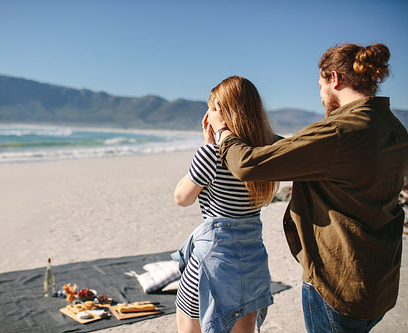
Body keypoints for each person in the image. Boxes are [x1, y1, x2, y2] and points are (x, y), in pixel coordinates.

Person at [208, 43, 408, 332]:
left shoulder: (340, 132)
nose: (320, 93)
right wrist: (254, 134)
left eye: (320, 84)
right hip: (379, 283)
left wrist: (223, 130)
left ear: (334, 79)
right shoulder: (394, 129)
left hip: (336, 285)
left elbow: (247, 166)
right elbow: (300, 151)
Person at [173, 76, 278, 333]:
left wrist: (208, 146)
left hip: (212, 265)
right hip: (252, 263)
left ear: (220, 113)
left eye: (210, 107)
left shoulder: (211, 154)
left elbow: (181, 198)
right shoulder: (265, 151)